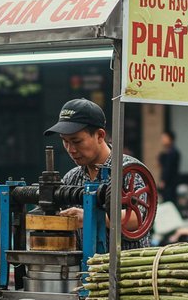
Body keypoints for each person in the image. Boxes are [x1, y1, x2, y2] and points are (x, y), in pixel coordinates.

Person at [44, 98, 151, 250]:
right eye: (65, 141)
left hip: (127, 270)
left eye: (77, 141)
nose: (70, 149)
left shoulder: (129, 171)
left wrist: (90, 216)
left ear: (100, 135)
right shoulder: (71, 178)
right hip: (87, 271)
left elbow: (138, 219)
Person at [157, 130, 181, 204]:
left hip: (170, 183)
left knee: (169, 202)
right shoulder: (168, 152)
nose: (162, 140)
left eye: (164, 138)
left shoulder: (173, 152)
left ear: (170, 139)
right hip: (169, 182)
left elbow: (168, 168)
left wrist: (163, 180)